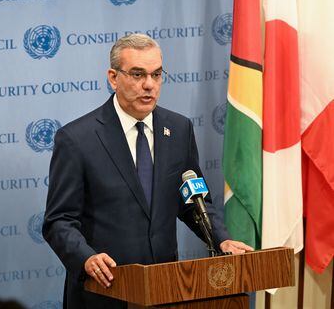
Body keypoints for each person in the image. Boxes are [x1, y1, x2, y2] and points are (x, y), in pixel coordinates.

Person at [42, 33, 253, 309]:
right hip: (105, 291)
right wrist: (86, 258)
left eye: (156, 74)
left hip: (165, 290)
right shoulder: (77, 139)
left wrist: (222, 239)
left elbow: (193, 201)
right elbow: (59, 221)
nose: (149, 85)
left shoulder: (178, 130)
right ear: (113, 77)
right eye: (138, 74)